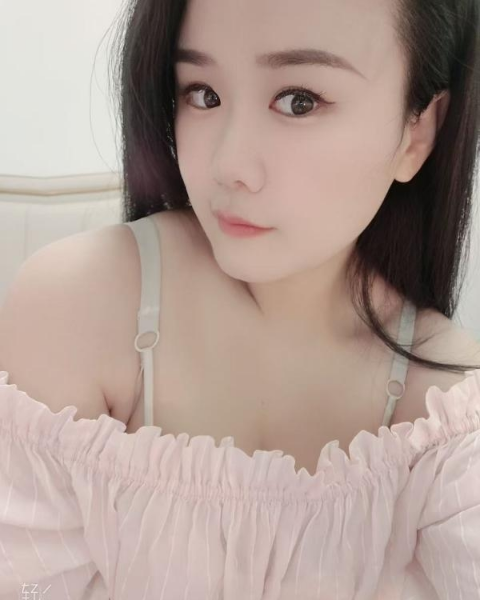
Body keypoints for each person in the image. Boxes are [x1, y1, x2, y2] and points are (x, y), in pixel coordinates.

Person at [0, 0, 480, 597]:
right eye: (202, 94)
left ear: (418, 132)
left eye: (299, 101)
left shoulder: (447, 412)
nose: (229, 165)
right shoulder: (80, 305)